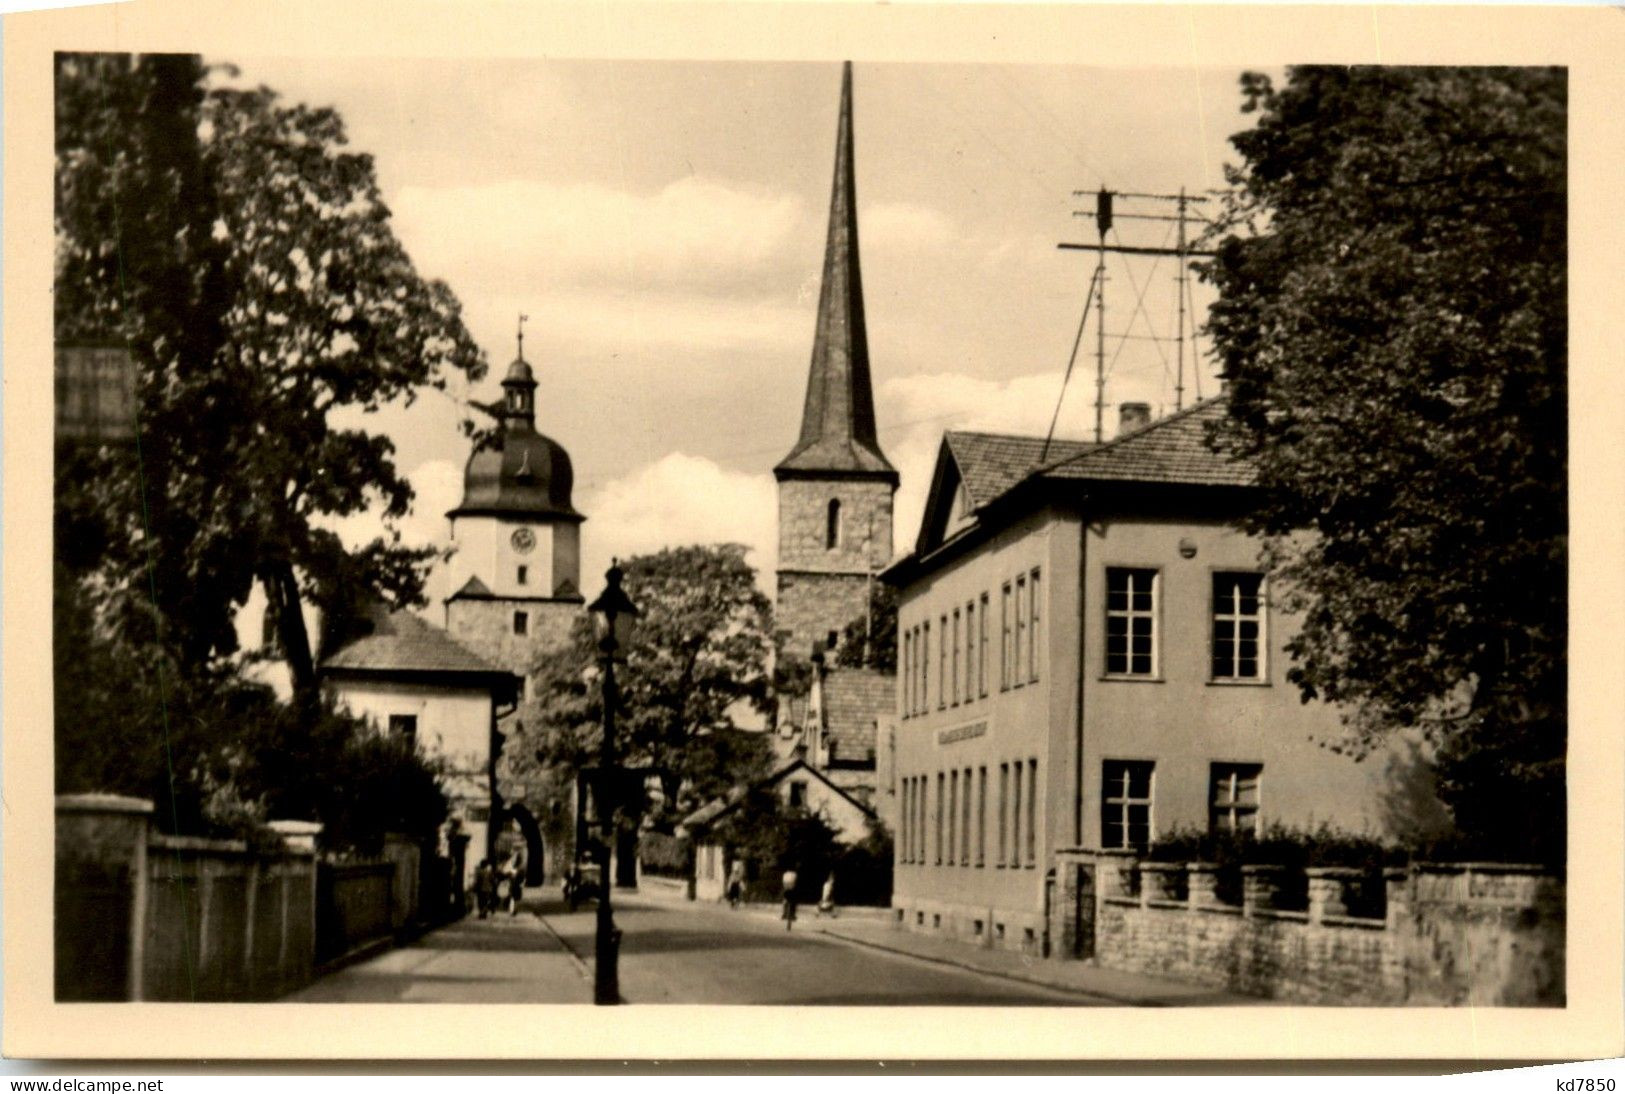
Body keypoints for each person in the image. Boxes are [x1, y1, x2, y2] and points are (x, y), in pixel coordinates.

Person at [505, 847, 526, 915]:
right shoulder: (520, 868)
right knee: (515, 898)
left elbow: (522, 877)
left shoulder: (517, 868)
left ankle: (513, 910)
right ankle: (513, 910)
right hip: (515, 885)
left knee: (514, 898)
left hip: (515, 885)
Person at [780, 865, 799, 930]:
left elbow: (783, 882)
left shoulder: (785, 874)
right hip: (793, 890)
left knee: (785, 900)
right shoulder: (795, 874)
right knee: (794, 902)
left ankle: (784, 913)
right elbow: (796, 882)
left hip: (786, 890)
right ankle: (793, 915)